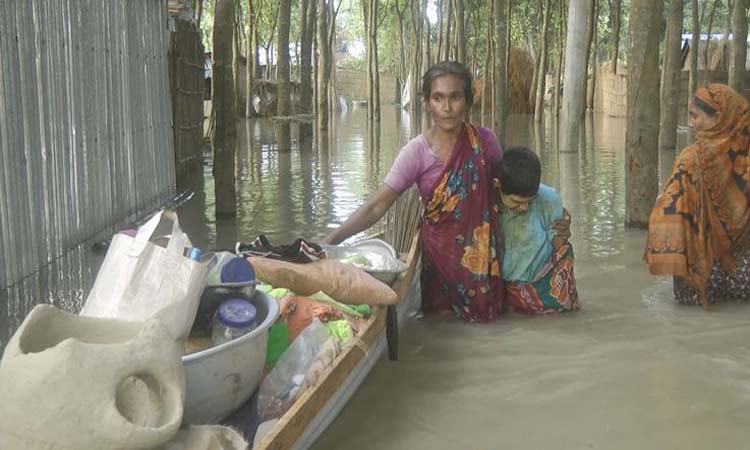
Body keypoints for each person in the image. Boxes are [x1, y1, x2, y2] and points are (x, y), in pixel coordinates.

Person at [322, 61, 569, 322]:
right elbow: (377, 205)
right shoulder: (416, 153)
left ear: (468, 101)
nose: (447, 108)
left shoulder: (485, 142)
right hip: (440, 266)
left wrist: (555, 219)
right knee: (441, 325)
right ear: (427, 102)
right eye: (438, 98)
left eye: (455, 97)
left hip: (484, 264)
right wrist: (334, 238)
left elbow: (507, 189)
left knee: (489, 323)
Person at [645, 83, 750, 307]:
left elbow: (668, 220)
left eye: (695, 117)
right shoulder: (745, 159)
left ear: (719, 118)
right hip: (744, 278)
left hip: (697, 281)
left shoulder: (690, 159)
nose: (691, 124)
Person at [494, 147, 580, 314]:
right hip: (508, 284)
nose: (524, 207)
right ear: (497, 186)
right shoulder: (488, 208)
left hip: (543, 278)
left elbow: (558, 240)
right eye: (516, 202)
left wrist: (562, 231)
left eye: (529, 201)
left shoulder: (548, 199)